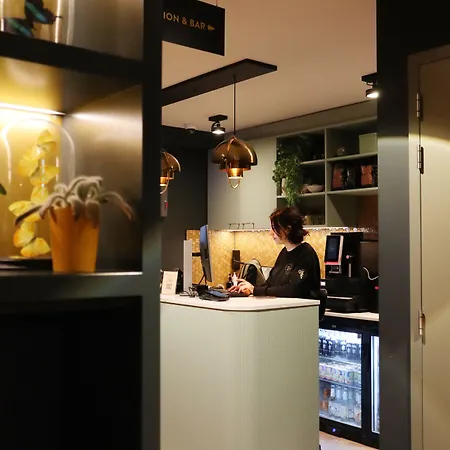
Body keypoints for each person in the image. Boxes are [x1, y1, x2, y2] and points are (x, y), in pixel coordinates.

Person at [229, 205, 321, 298]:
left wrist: (255, 290)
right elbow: (270, 283)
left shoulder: (306, 253)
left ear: (287, 229)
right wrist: (249, 288)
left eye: (274, 228)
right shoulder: (284, 253)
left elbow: (294, 290)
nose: (270, 233)